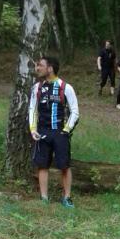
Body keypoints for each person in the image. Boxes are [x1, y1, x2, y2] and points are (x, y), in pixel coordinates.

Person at [29, 56, 80, 208]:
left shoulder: (66, 87)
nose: (37, 68)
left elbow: (75, 111)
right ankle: (44, 198)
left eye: (40, 65)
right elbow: (32, 109)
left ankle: (67, 198)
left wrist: (66, 130)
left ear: (50, 68)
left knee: (64, 166)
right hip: (42, 132)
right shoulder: (37, 88)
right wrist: (33, 129)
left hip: (60, 132)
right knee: (42, 165)